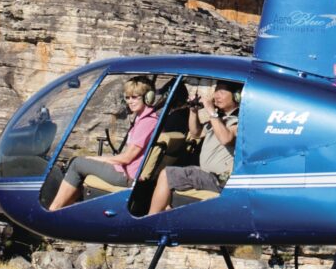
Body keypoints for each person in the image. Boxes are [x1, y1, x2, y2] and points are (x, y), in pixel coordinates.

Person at [46, 79, 161, 210]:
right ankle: (66, 209)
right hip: (127, 171)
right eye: (127, 97)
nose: (130, 101)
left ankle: (53, 210)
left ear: (148, 97)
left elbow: (126, 158)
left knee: (77, 163)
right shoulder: (147, 118)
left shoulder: (146, 123)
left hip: (126, 175)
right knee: (83, 164)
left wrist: (97, 158)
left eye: (134, 97)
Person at [149, 82, 239, 215]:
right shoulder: (220, 118)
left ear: (237, 96)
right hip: (207, 174)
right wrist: (193, 111)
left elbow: (226, 138)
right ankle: (164, 214)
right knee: (171, 178)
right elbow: (196, 132)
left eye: (222, 91)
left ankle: (150, 219)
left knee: (166, 174)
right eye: (216, 91)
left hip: (219, 180)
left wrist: (211, 111)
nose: (216, 95)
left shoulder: (239, 120)